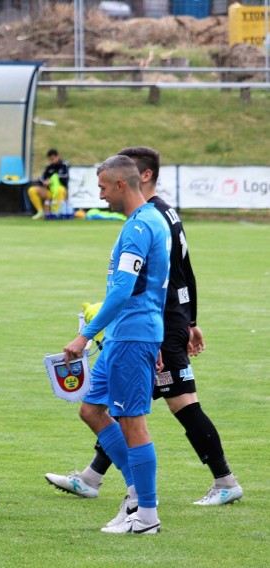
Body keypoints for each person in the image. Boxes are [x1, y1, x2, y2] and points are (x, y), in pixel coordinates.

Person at [46, 146, 243, 506]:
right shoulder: (158, 215)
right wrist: (192, 319)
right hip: (148, 326)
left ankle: (188, 492)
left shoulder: (150, 221)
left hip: (154, 326)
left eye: (107, 185)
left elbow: (158, 279)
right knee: (104, 408)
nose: (102, 193)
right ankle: (98, 478)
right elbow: (184, 272)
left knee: (173, 407)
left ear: (138, 178)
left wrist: (179, 326)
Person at [62, 155, 171, 535]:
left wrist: (85, 335)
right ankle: (135, 493)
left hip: (131, 335)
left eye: (103, 187)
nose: (100, 194)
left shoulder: (140, 227)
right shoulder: (145, 222)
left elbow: (124, 290)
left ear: (121, 186)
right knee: (91, 410)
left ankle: (146, 516)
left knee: (133, 423)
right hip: (129, 335)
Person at [28, 148, 70, 220]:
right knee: (32, 190)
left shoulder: (64, 165)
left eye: (53, 159)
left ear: (58, 156)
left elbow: (65, 179)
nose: (52, 161)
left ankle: (57, 212)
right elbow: (43, 178)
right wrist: (43, 182)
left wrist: (52, 181)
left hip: (60, 192)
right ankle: (40, 212)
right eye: (50, 159)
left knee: (60, 189)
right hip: (50, 192)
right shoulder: (49, 167)